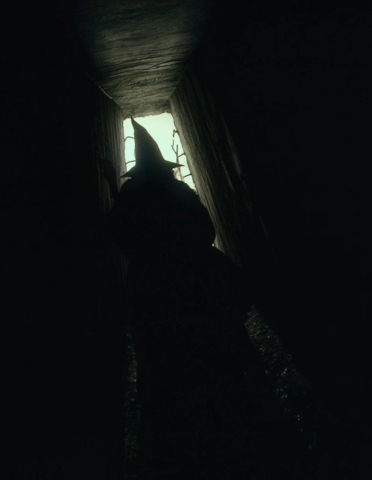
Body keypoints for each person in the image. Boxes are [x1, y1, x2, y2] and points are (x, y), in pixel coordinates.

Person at [99, 118, 294, 478]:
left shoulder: (133, 195)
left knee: (164, 370)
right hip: (199, 285)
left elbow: (120, 233)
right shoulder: (179, 192)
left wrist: (115, 190)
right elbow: (206, 230)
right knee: (225, 355)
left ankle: (179, 444)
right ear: (164, 166)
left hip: (155, 295)